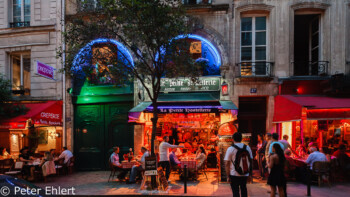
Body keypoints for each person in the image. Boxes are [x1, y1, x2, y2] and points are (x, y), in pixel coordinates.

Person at [225, 132, 253, 197]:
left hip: (234, 174)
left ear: (233, 139)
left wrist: (228, 176)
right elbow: (251, 161)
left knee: (235, 192)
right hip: (244, 173)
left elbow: (227, 163)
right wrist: (250, 174)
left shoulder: (230, 149)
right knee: (244, 190)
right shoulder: (247, 147)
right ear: (241, 138)